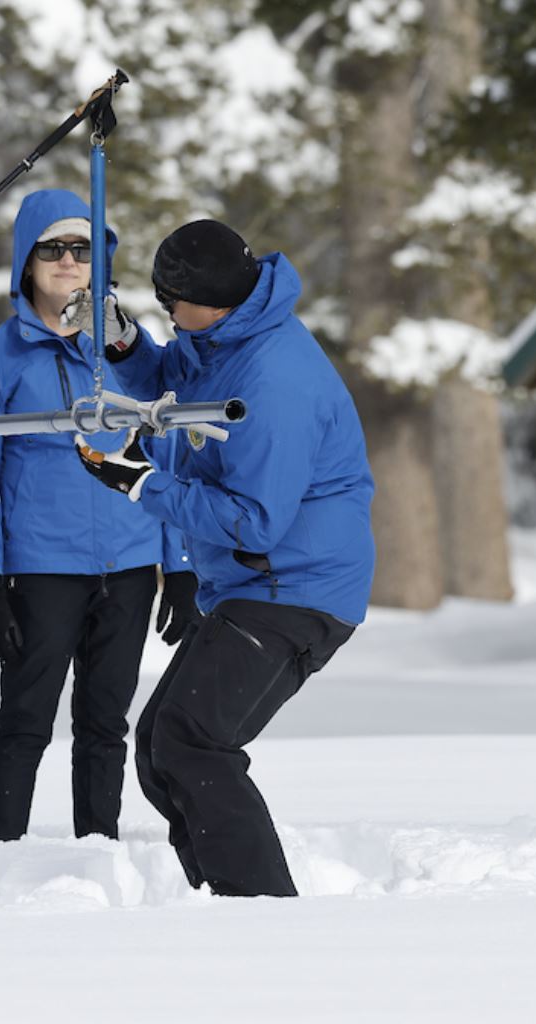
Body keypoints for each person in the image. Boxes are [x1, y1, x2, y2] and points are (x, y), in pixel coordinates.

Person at [73, 219, 376, 896]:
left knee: (192, 744)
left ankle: (263, 909)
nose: (166, 317)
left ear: (207, 300)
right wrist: (121, 343)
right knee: (158, 749)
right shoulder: (217, 338)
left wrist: (140, 481)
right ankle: (224, 898)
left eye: (167, 303)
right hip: (252, 587)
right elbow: (169, 380)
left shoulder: (274, 384)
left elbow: (256, 522)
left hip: (295, 588)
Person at [0, 188, 197, 843]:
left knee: (104, 722)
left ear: (102, 262)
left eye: (82, 249)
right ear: (25, 263)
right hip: (40, 568)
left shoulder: (129, 355)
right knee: (25, 718)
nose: (67, 261)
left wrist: (181, 566)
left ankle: (98, 851)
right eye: (51, 249)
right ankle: (2, 855)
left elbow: (165, 456)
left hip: (131, 563)